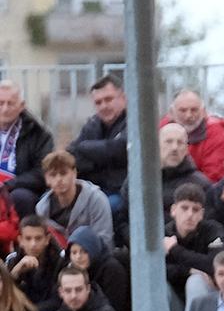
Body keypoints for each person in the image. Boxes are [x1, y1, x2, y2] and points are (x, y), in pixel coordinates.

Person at [67, 74, 129, 212]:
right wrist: (102, 156)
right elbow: (71, 156)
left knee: (103, 208)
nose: (103, 106)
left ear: (123, 99)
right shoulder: (92, 124)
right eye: (98, 102)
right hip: (92, 189)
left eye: (108, 99)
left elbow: (118, 149)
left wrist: (85, 148)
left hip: (120, 193)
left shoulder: (135, 123)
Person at [163, 183, 224, 311]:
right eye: (184, 208)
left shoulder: (212, 230)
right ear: (173, 210)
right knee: (159, 284)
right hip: (173, 301)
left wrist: (175, 250)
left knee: (195, 282)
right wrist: (189, 270)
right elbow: (154, 270)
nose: (190, 214)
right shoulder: (163, 234)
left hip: (206, 299)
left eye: (195, 209)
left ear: (202, 214)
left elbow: (215, 264)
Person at [0, 80, 57, 216]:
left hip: (21, 189)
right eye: (1, 103)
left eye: (10, 103)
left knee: (19, 197)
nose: (5, 109)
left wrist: (8, 185)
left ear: (21, 106)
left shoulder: (40, 134)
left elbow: (42, 173)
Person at [37, 150, 112, 250]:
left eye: (63, 173)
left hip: (95, 259)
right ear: (47, 179)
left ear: (74, 173)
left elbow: (105, 239)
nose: (59, 179)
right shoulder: (41, 208)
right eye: (53, 175)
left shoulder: (96, 199)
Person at [161, 89, 224, 183]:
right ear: (172, 113)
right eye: (183, 110)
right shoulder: (161, 129)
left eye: (194, 110)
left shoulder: (216, 134)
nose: (188, 115)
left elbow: (214, 177)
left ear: (204, 112)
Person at [66, 227, 131, 311]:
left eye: (84, 251)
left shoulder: (112, 269)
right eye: (74, 252)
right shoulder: (71, 272)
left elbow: (115, 308)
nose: (78, 257)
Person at [9, 215, 63, 311]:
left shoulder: (60, 261)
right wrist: (15, 273)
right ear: (21, 240)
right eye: (28, 238)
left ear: (47, 239)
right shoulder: (13, 260)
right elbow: (6, 296)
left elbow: (58, 300)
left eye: (38, 238)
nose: (33, 244)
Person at [158, 122, 214, 211]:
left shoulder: (201, 185)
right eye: (168, 141)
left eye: (180, 142)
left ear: (186, 148)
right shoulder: (139, 180)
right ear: (158, 146)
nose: (174, 147)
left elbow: (209, 220)